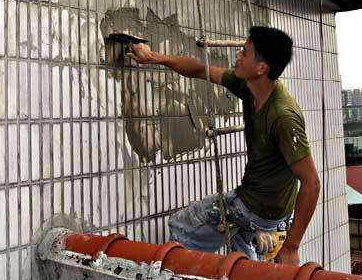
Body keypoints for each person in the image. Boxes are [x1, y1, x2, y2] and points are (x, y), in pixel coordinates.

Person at [127, 26, 320, 266]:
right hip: (264, 207)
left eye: (245, 52)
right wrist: (153, 56)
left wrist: (291, 247)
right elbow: (199, 69)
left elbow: (312, 182)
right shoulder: (248, 86)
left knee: (181, 228)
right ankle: (253, 249)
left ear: (261, 67)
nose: (237, 55)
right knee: (242, 255)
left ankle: (246, 236)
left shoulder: (283, 116)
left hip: (255, 208)